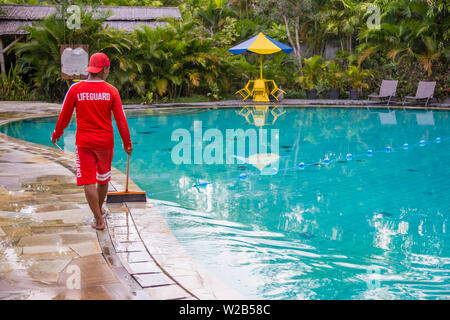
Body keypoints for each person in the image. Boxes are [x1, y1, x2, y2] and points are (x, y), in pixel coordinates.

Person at [51, 52, 132, 230]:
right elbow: (121, 121)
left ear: (91, 69)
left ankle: (98, 219)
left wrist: (57, 133)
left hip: (84, 143)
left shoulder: (75, 89)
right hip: (105, 143)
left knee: (88, 181)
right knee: (103, 180)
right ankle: (100, 210)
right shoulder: (112, 91)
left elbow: (64, 115)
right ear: (104, 70)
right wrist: (127, 143)